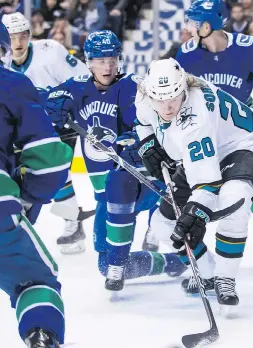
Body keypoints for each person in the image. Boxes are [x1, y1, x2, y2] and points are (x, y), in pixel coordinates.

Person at [141, 0, 253, 265]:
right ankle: (156, 228)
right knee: (181, 178)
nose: (189, 27)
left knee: (247, 185)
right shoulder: (186, 54)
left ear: (209, 24)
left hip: (237, 133)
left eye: (194, 22)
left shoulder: (248, 49)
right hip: (199, 128)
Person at [45, 30, 185, 293]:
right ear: (88, 61)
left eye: (112, 58)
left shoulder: (136, 85)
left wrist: (140, 138)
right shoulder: (75, 88)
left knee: (124, 194)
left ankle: (158, 227)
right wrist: (51, 104)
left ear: (120, 59)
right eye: (100, 59)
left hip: (141, 181)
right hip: (104, 194)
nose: (107, 65)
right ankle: (170, 263)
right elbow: (37, 98)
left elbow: (160, 120)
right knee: (105, 265)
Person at [135, 58, 253, 307]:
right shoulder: (144, 94)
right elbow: (143, 123)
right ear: (149, 92)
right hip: (204, 150)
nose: (167, 107)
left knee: (233, 200)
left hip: (239, 145)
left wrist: (197, 212)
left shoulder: (195, 119)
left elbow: (207, 184)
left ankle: (225, 278)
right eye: (160, 100)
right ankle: (207, 274)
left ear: (184, 89)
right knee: (162, 223)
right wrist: (148, 143)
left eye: (173, 98)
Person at [0, 21, 72, 347]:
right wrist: (28, 198)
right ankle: (40, 335)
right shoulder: (12, 84)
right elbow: (51, 159)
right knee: (35, 281)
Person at [2, 12, 92, 254]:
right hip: (22, 130)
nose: (18, 43)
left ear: (31, 35)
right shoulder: (4, 64)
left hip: (58, 123)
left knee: (51, 167)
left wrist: (58, 99)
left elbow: (83, 79)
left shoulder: (50, 51)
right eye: (12, 38)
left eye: (23, 36)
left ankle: (71, 221)